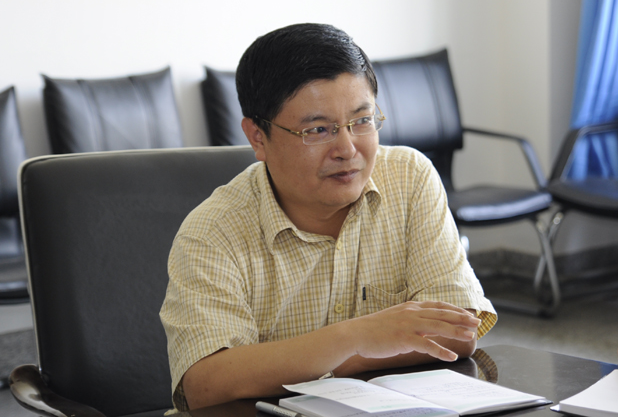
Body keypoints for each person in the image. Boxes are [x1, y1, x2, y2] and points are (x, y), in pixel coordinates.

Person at [160, 23, 497, 412]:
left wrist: (305, 362)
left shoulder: (410, 179)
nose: (347, 149)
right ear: (257, 137)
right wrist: (354, 338)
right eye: (318, 129)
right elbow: (207, 384)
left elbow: (457, 334)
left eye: (362, 121)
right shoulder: (213, 231)